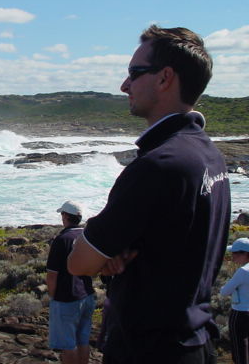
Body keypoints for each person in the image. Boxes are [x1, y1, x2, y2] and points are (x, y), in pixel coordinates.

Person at [68, 25, 231, 364]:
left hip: (150, 348)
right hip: (196, 341)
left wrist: (105, 251)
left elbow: (79, 262)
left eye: (134, 73)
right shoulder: (208, 155)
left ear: (164, 78)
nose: (124, 85)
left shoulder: (159, 165)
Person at [46, 200, 96, 364]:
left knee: (68, 345)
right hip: (87, 294)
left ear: (66, 216)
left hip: (67, 298)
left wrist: (54, 298)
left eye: (62, 214)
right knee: (83, 341)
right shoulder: (85, 236)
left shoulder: (62, 240)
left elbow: (52, 275)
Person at [220, 237, 249, 364]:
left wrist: (224, 287)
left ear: (244, 254)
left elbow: (224, 292)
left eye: (234, 253)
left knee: (240, 353)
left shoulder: (243, 271)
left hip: (240, 315)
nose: (232, 256)